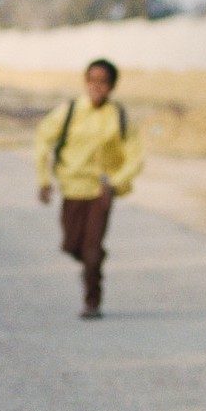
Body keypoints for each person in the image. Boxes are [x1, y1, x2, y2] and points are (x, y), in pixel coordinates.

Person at [34, 58, 144, 320]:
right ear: (85, 82)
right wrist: (44, 180)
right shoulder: (69, 110)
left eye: (103, 82)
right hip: (72, 189)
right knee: (72, 245)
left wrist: (116, 182)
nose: (97, 87)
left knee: (91, 249)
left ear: (112, 86)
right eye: (92, 81)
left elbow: (135, 156)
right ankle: (92, 259)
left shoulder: (119, 116)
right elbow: (43, 140)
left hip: (101, 191)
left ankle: (92, 301)